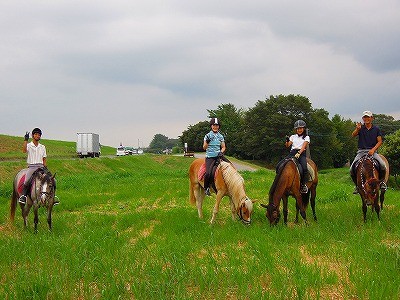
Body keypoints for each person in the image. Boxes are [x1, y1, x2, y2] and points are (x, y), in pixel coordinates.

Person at [350, 110, 387, 194]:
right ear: (363, 118)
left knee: (382, 165)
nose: (366, 119)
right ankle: (357, 186)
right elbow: (353, 135)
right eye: (365, 117)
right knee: (351, 169)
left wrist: (373, 150)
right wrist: (357, 129)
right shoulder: (361, 128)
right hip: (361, 152)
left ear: (372, 118)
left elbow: (380, 141)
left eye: (368, 117)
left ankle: (382, 183)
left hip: (373, 152)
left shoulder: (376, 129)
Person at [18, 128, 59, 205]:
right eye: (36, 134)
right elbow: (24, 150)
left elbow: (44, 158)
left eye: (39, 135)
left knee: (53, 180)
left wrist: (45, 167)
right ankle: (23, 196)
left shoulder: (42, 147)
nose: (38, 136)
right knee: (27, 181)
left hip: (41, 167)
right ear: (33, 135)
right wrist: (25, 140)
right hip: (32, 166)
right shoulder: (29, 145)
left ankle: (53, 198)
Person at [285, 120, 310, 193]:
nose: (299, 130)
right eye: (298, 129)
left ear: (304, 129)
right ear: (296, 129)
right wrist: (287, 140)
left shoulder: (306, 137)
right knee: (280, 165)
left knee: (304, 168)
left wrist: (299, 152)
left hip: (301, 153)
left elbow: (304, 145)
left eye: (301, 128)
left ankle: (303, 185)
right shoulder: (293, 136)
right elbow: (287, 146)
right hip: (292, 153)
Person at [203, 117, 226, 196]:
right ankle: (206, 188)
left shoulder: (221, 136)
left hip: (219, 156)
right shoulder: (207, 136)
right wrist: (207, 142)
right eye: (214, 125)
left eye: (217, 125)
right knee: (209, 173)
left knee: (231, 166)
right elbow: (204, 148)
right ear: (211, 126)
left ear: (219, 126)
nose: (215, 127)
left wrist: (221, 152)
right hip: (210, 157)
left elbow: (223, 147)